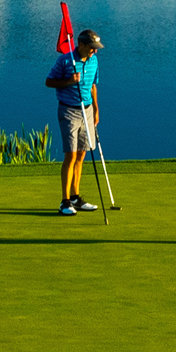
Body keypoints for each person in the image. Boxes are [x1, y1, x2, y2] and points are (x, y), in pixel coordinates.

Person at [46, 28, 103, 215]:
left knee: (81, 155)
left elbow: (93, 86)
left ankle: (75, 197)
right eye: (92, 47)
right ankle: (64, 202)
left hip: (87, 111)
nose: (94, 51)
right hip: (69, 111)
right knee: (70, 155)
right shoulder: (65, 61)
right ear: (81, 45)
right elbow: (49, 82)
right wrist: (69, 81)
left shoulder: (94, 60)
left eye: (96, 48)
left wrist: (95, 109)